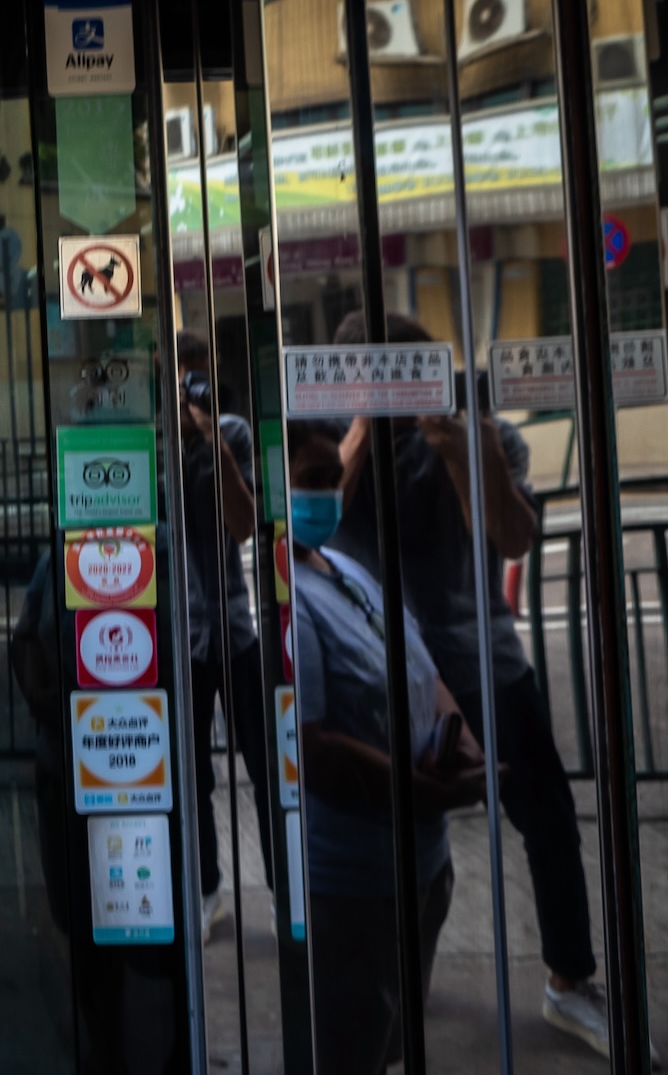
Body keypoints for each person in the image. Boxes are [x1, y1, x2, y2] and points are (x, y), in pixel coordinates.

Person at [326, 312, 615, 1055]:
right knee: (406, 837)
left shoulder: (483, 435)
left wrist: (464, 449)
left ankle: (569, 978)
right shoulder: (343, 445)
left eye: (413, 373)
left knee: (546, 815)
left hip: (488, 659)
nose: (402, 391)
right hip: (398, 671)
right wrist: (360, 433)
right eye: (381, 377)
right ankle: (396, 989)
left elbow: (512, 537)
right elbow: (315, 539)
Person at [287, 416, 487, 1075]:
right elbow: (314, 747)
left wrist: (467, 749)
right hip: (354, 876)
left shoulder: (344, 566)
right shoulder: (287, 599)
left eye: (332, 478)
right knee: (351, 1046)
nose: (328, 493)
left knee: (392, 1036)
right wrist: (422, 788)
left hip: (423, 862)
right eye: (309, 481)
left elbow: (423, 669)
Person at [175, 330, 273, 943]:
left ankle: (287, 889)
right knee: (191, 773)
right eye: (179, 379)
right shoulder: (150, 444)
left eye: (197, 376)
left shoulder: (229, 433)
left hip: (233, 626)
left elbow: (243, 527)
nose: (190, 389)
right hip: (180, 632)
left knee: (265, 763)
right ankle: (207, 890)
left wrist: (213, 440)